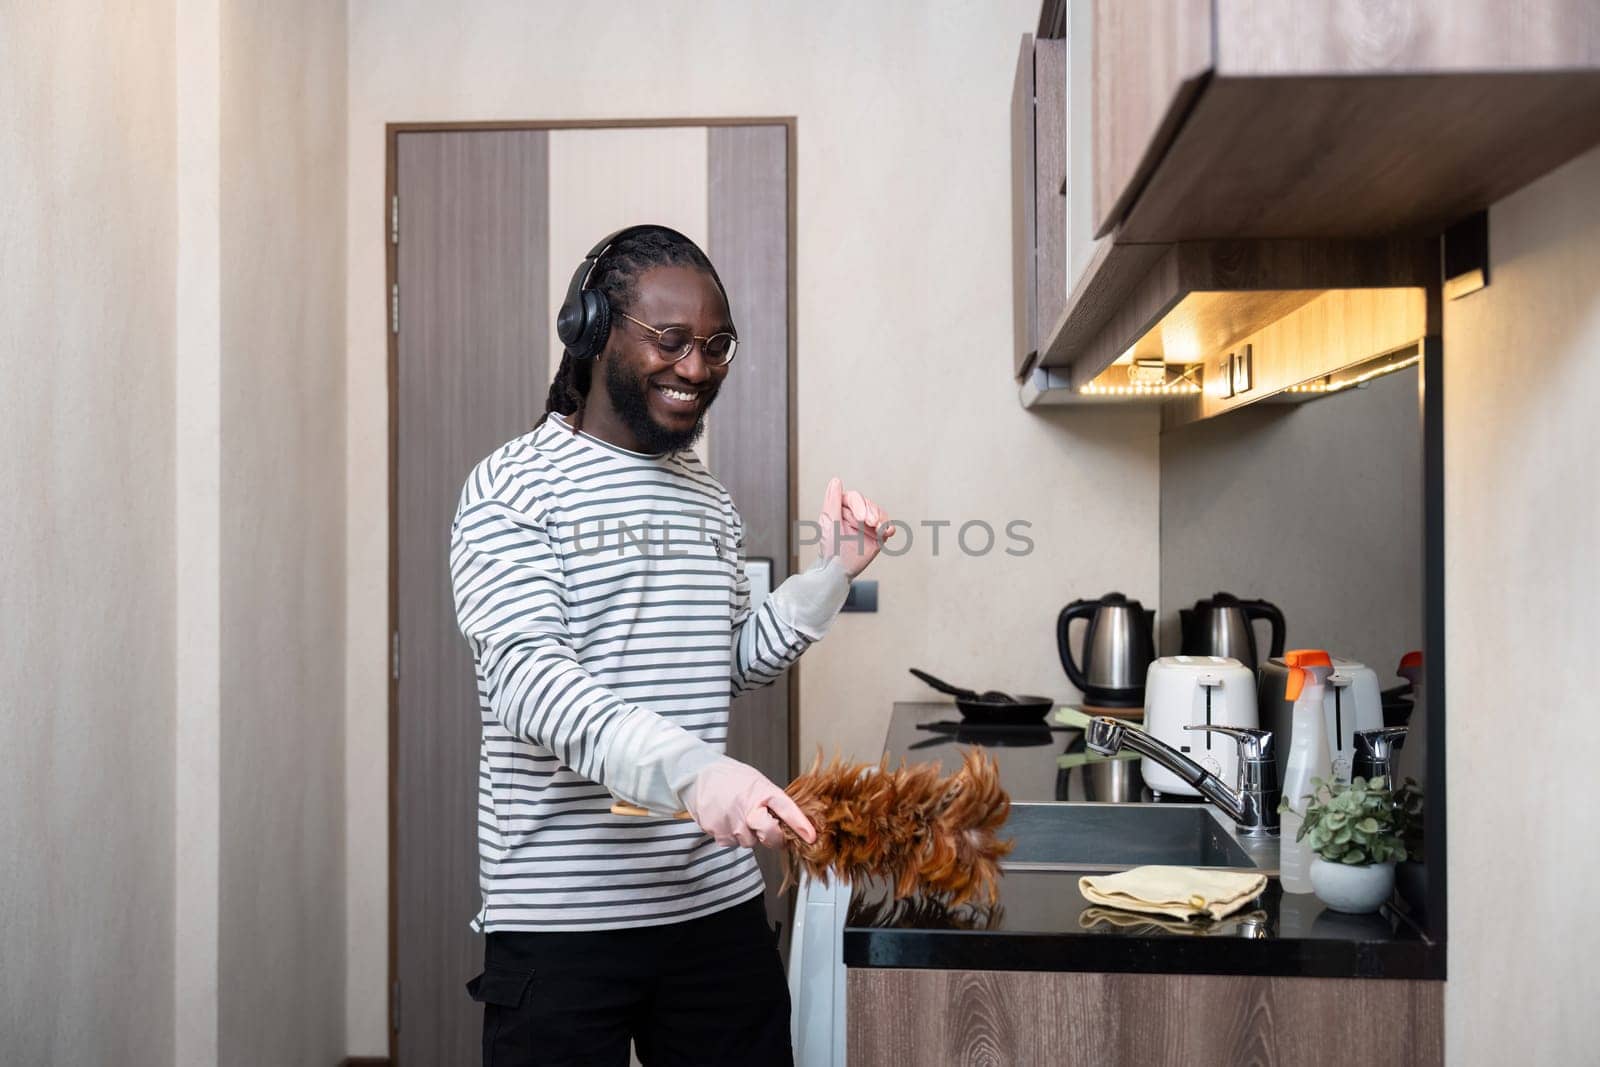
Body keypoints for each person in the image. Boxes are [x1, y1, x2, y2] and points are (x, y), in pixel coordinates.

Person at [450, 224, 891, 1066]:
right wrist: (698, 773)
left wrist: (835, 571)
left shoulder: (705, 497)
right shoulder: (512, 488)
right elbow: (534, 686)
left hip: (710, 907)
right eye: (671, 340)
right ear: (592, 331)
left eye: (716, 344)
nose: (696, 367)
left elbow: (726, 659)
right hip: (563, 924)